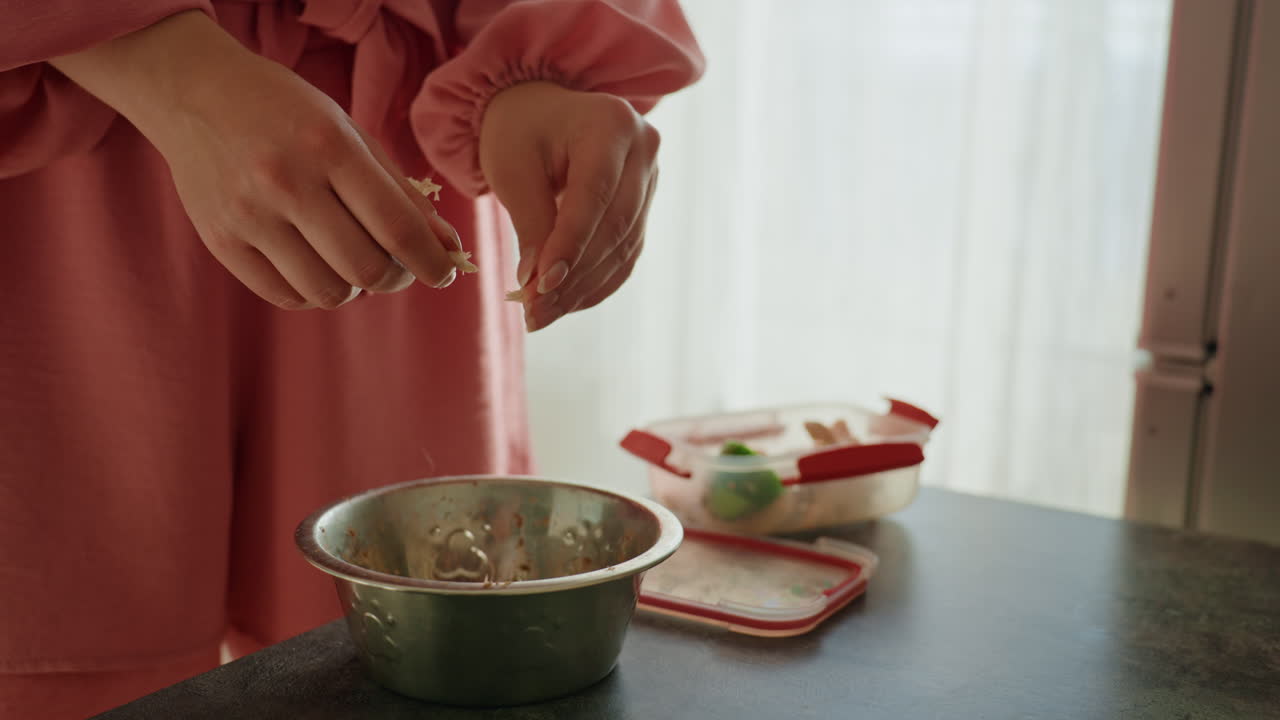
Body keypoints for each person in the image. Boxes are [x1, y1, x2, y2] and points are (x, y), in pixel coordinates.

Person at [0, 1, 704, 716]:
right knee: (70, 665)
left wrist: (527, 72)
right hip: (52, 149)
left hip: (374, 146)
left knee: (394, 659)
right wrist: (173, 73)